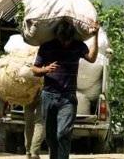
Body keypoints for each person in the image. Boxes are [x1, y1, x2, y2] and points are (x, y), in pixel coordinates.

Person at [31, 20, 99, 159]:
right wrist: (45, 69)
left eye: (68, 40)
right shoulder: (47, 47)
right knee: (50, 136)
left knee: (63, 133)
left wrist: (95, 36)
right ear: (57, 36)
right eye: (63, 40)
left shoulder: (78, 46)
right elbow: (34, 69)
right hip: (48, 95)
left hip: (68, 98)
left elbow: (92, 58)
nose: (66, 43)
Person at [23, 92, 45, 159]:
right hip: (43, 92)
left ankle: (28, 151)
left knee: (29, 123)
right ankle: (34, 152)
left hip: (27, 92)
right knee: (40, 123)